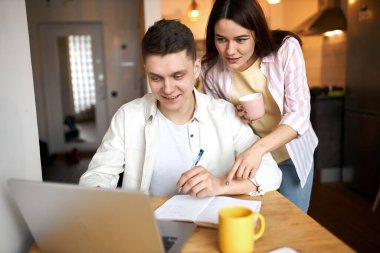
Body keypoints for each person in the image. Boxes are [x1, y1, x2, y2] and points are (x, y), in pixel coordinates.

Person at [79, 19, 282, 198]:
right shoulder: (128, 117)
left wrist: (220, 184)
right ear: (146, 72)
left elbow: (271, 173)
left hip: (210, 228)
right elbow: (98, 175)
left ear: (196, 69)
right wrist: (99, 196)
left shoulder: (224, 114)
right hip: (151, 229)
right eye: (156, 78)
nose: (168, 89)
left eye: (177, 76)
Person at [200, 0, 318, 212]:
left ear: (257, 33)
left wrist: (258, 149)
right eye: (221, 39)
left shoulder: (285, 50)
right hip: (250, 164)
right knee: (251, 227)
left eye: (241, 39)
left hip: (290, 157)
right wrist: (235, 116)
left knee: (290, 228)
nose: (230, 50)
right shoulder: (210, 70)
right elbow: (218, 125)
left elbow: (299, 114)